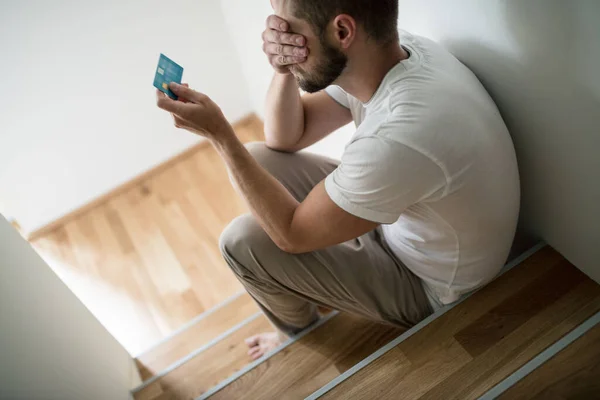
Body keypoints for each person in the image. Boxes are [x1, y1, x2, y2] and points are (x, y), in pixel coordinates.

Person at [156, 0, 520, 361]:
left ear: (343, 31)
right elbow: (285, 137)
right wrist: (284, 67)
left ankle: (299, 333)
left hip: (431, 284)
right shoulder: (391, 53)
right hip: (408, 221)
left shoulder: (399, 134)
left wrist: (221, 136)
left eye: (288, 30)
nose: (279, 39)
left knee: (241, 242)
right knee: (257, 158)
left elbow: (291, 235)